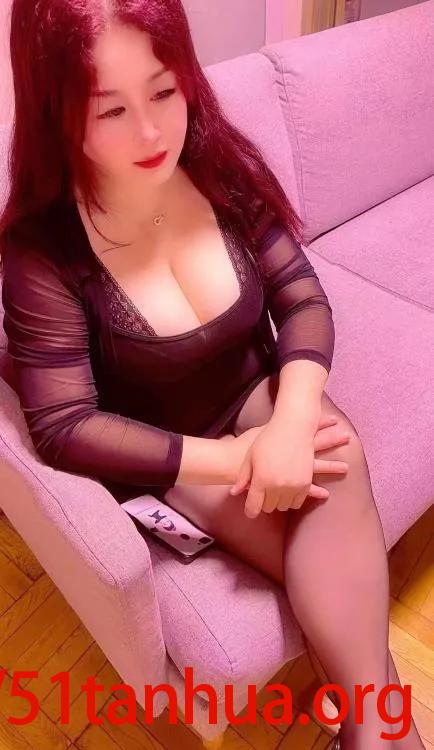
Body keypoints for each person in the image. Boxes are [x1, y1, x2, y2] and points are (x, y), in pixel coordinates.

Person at [0, 3, 424, 749]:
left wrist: (291, 421)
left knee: (337, 457)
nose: (152, 133)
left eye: (165, 91)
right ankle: (386, 732)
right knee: (333, 554)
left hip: (255, 395)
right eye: (112, 110)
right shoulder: (42, 251)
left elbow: (302, 299)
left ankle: (369, 732)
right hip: (170, 447)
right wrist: (233, 460)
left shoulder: (217, 164)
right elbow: (63, 426)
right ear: (56, 111)